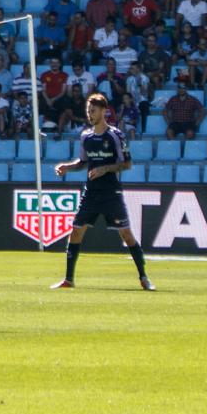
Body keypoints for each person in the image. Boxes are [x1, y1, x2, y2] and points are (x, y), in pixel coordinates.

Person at [50, 93, 153, 291]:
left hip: (110, 193)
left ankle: (144, 277)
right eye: (88, 110)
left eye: (93, 111)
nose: (90, 114)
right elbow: (82, 162)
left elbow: (127, 164)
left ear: (104, 111)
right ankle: (68, 279)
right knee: (76, 232)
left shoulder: (115, 135)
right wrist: (66, 167)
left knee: (126, 235)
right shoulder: (85, 136)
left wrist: (105, 169)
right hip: (91, 193)